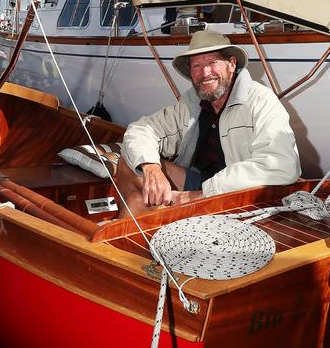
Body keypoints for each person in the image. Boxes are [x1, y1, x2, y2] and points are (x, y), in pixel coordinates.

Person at [116, 30, 301, 216]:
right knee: (129, 162)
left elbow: (283, 165)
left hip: (236, 194)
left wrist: (200, 195)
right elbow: (141, 129)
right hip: (201, 183)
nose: (205, 73)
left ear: (231, 64)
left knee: (139, 202)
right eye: (197, 65)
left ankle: (127, 225)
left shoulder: (260, 100)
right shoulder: (192, 103)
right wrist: (151, 168)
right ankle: (137, 218)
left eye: (212, 62)